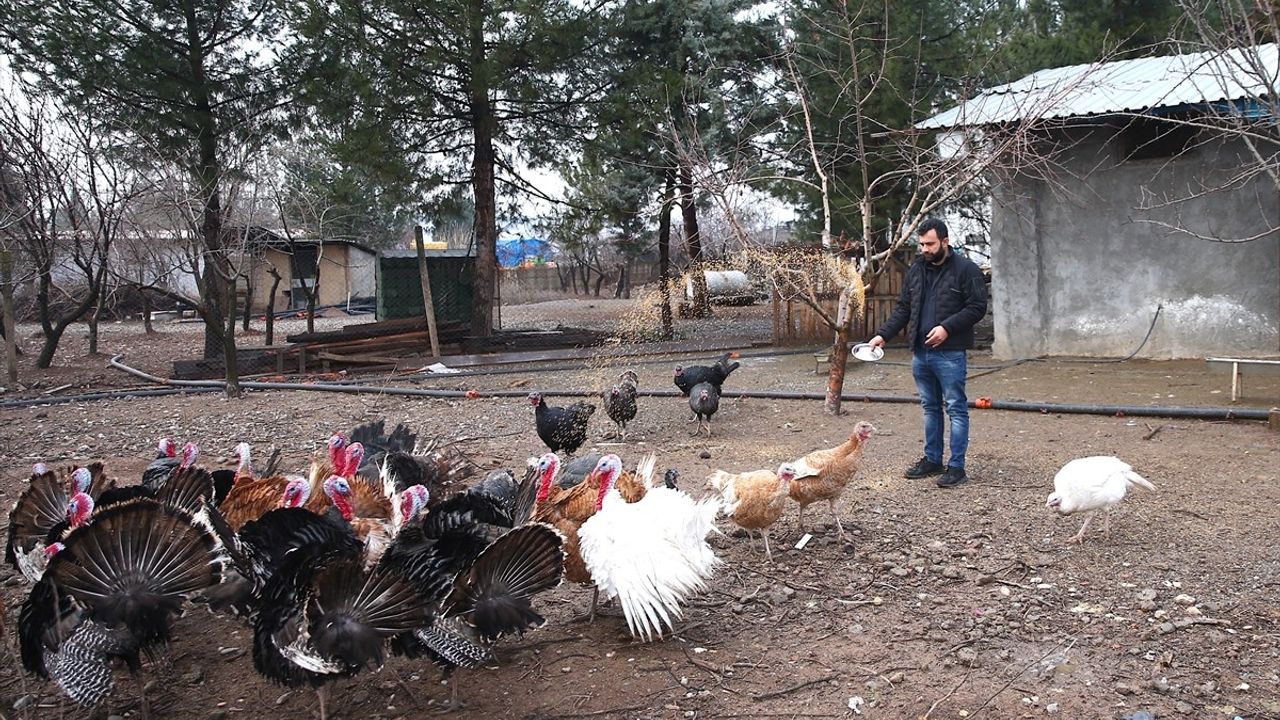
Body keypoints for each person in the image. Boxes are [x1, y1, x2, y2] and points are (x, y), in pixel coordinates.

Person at [867, 218, 987, 488]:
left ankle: (957, 467)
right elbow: (904, 308)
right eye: (921, 244)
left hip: (950, 353)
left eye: (930, 243)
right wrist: (882, 335)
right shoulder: (917, 270)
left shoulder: (966, 270)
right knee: (930, 408)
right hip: (920, 353)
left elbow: (978, 307)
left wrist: (947, 328)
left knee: (956, 408)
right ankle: (932, 459)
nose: (925, 249)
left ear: (945, 241)